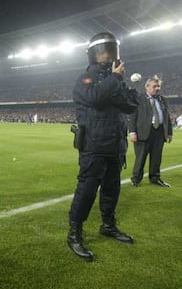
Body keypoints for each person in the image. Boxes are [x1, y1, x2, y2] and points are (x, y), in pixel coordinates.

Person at [67, 32, 140, 261]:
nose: (108, 57)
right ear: (93, 55)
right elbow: (96, 98)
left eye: (111, 51)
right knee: (86, 191)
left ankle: (108, 225)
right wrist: (115, 81)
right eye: (103, 52)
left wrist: (115, 84)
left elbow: (132, 104)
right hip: (94, 146)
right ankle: (74, 234)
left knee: (112, 190)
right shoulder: (84, 79)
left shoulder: (113, 81)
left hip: (115, 146)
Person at [128, 75, 173, 188]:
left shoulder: (162, 99)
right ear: (147, 87)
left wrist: (169, 132)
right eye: (154, 86)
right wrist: (132, 132)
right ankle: (136, 179)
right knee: (141, 158)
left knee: (156, 157)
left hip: (159, 132)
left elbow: (167, 117)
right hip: (143, 132)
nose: (157, 88)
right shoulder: (139, 98)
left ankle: (155, 178)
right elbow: (133, 115)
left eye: (158, 86)